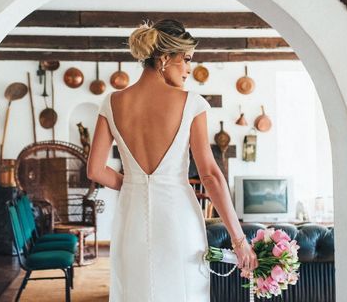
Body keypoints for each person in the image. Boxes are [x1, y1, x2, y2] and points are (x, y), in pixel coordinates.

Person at [87, 19, 258, 302]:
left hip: (131, 216)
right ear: (165, 58)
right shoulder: (191, 103)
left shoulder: (112, 102)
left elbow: (95, 169)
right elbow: (210, 176)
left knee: (135, 290)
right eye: (187, 59)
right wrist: (239, 240)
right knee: (183, 290)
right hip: (177, 215)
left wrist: (133, 184)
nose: (189, 69)